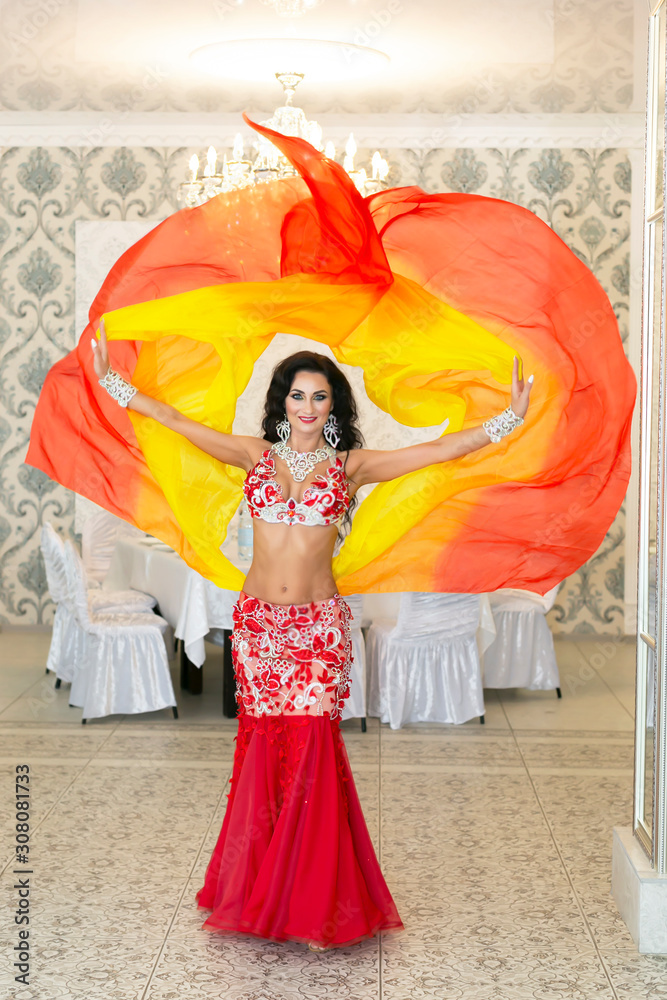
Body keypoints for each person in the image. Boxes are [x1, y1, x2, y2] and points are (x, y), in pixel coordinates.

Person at [91, 319, 532, 949]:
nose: (307, 406)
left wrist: (505, 422)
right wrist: (118, 386)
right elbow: (181, 425)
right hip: (259, 625)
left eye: (319, 396)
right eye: (297, 395)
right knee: (263, 752)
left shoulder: (351, 465)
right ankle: (257, 886)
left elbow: (434, 452)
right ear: (282, 403)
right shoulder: (255, 456)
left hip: (317, 630)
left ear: (333, 405)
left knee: (314, 754)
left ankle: (316, 897)